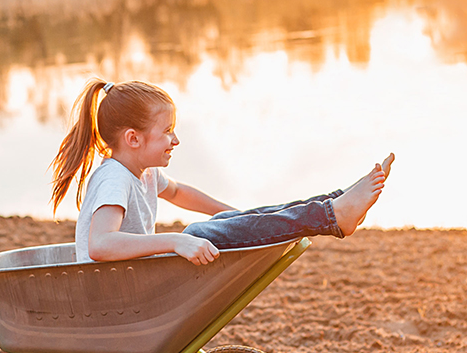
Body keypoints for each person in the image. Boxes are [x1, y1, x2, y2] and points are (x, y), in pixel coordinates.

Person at [50, 79, 393, 265]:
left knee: (222, 223)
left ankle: (334, 206)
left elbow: (179, 192)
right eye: (167, 131)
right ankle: (332, 214)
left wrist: (231, 215)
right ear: (133, 138)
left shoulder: (142, 172)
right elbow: (100, 245)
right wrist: (176, 240)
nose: (176, 139)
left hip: (133, 280)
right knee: (199, 230)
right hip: (112, 293)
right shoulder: (114, 177)